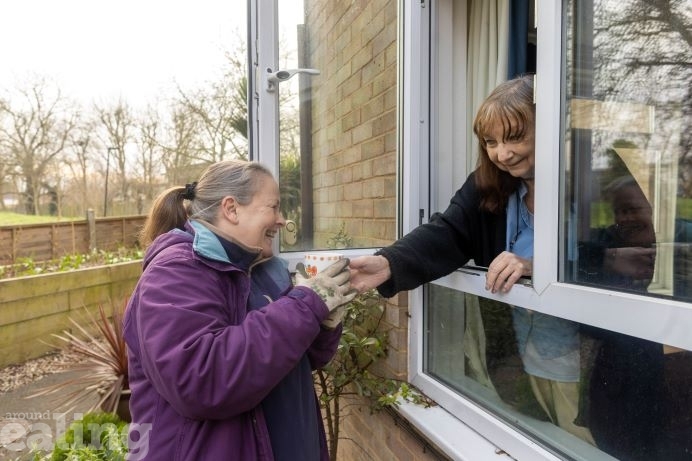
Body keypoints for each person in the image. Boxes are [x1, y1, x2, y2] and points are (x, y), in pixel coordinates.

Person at [349, 75, 594, 443]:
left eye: (514, 137)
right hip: (527, 361)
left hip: (587, 365)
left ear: (549, 127)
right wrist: (388, 263)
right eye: (491, 142)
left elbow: (619, 257)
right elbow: (448, 231)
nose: (502, 154)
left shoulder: (592, 179)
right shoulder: (488, 183)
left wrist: (535, 267)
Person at [123, 159, 357, 461]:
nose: (282, 220)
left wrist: (322, 322)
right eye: (273, 207)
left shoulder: (261, 269)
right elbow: (201, 379)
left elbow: (300, 359)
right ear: (231, 209)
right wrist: (304, 306)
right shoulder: (175, 272)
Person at [577, 174, 664, 460]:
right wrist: (610, 258)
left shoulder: (676, 236)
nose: (625, 218)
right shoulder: (607, 239)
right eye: (619, 211)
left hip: (655, 352)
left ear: (655, 209)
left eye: (634, 209)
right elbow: (576, 256)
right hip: (610, 351)